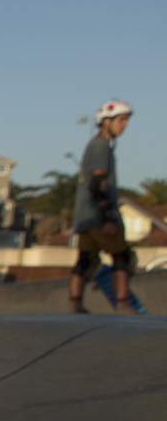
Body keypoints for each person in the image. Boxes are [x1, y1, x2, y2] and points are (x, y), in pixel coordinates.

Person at [69, 100, 135, 314]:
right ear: (106, 122)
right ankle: (123, 303)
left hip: (85, 216)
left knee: (86, 260)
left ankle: (75, 305)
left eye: (126, 121)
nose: (124, 125)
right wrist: (108, 217)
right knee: (123, 256)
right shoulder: (100, 146)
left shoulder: (95, 145)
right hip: (97, 215)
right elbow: (98, 182)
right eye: (121, 120)